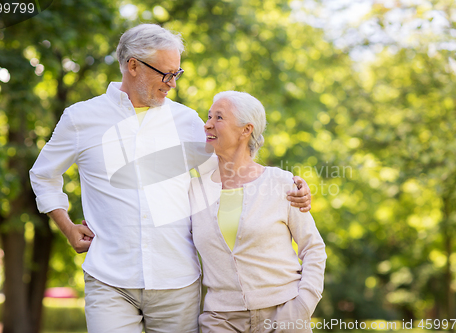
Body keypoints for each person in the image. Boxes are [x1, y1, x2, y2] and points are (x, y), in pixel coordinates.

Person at [29, 24, 311, 333]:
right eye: (166, 74)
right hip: (109, 279)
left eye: (177, 74)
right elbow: (43, 175)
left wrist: (285, 186)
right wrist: (67, 227)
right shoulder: (80, 118)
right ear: (133, 65)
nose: (172, 84)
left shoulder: (187, 121)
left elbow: (231, 170)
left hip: (177, 281)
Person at [190, 91, 326, 333]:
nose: (207, 124)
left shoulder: (281, 183)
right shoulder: (195, 189)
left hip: (283, 315)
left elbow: (313, 247)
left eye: (219, 118)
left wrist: (302, 306)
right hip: (220, 320)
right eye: (209, 116)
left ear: (246, 130)